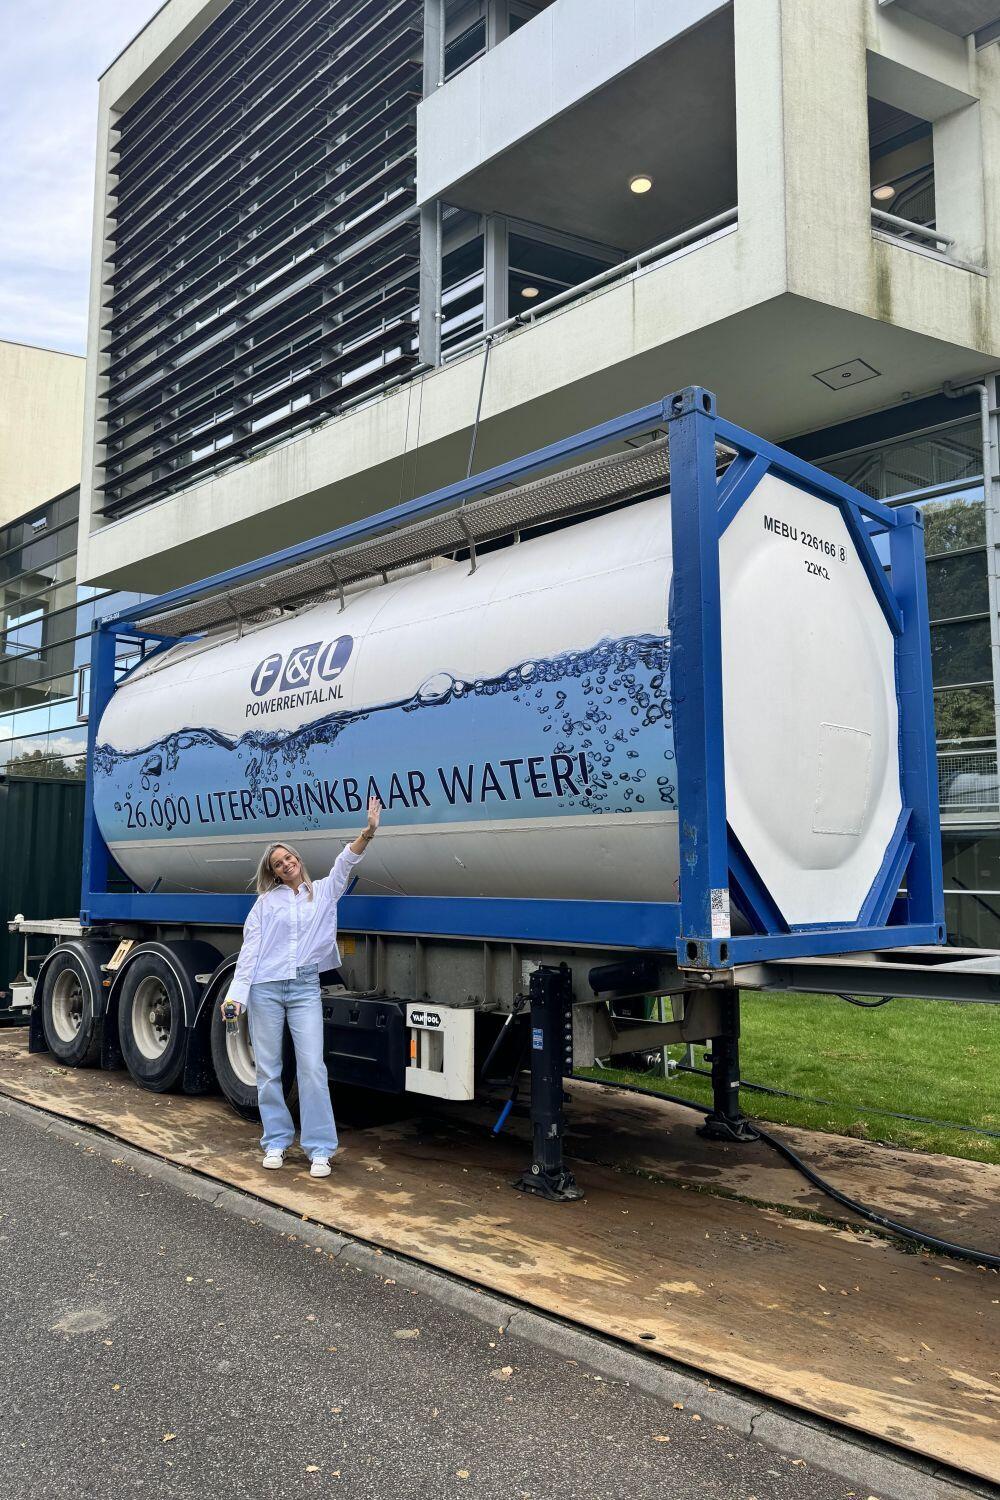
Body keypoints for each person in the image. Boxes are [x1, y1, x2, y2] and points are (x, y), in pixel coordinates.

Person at [223, 797, 381, 1176]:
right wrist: (235, 996)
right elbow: (251, 949)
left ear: (297, 860)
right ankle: (275, 1141)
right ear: (274, 873)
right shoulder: (265, 903)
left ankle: (320, 1148)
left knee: (312, 1066)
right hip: (265, 988)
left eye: (288, 858)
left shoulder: (323, 892)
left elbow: (346, 862)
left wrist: (368, 832)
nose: (285, 864)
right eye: (277, 864)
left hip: (305, 987)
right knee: (269, 1069)